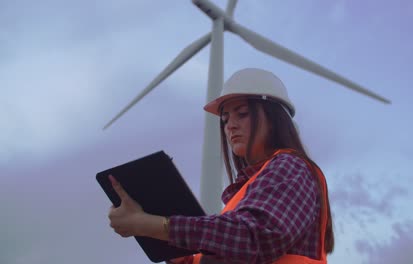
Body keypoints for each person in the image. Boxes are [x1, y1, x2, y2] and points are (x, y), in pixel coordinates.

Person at [108, 68, 334, 264]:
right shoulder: (245, 195)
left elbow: (253, 238)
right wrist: (152, 230)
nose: (230, 126)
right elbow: (215, 254)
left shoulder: (291, 168)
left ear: (274, 118)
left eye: (242, 114)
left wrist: (156, 225)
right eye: (225, 119)